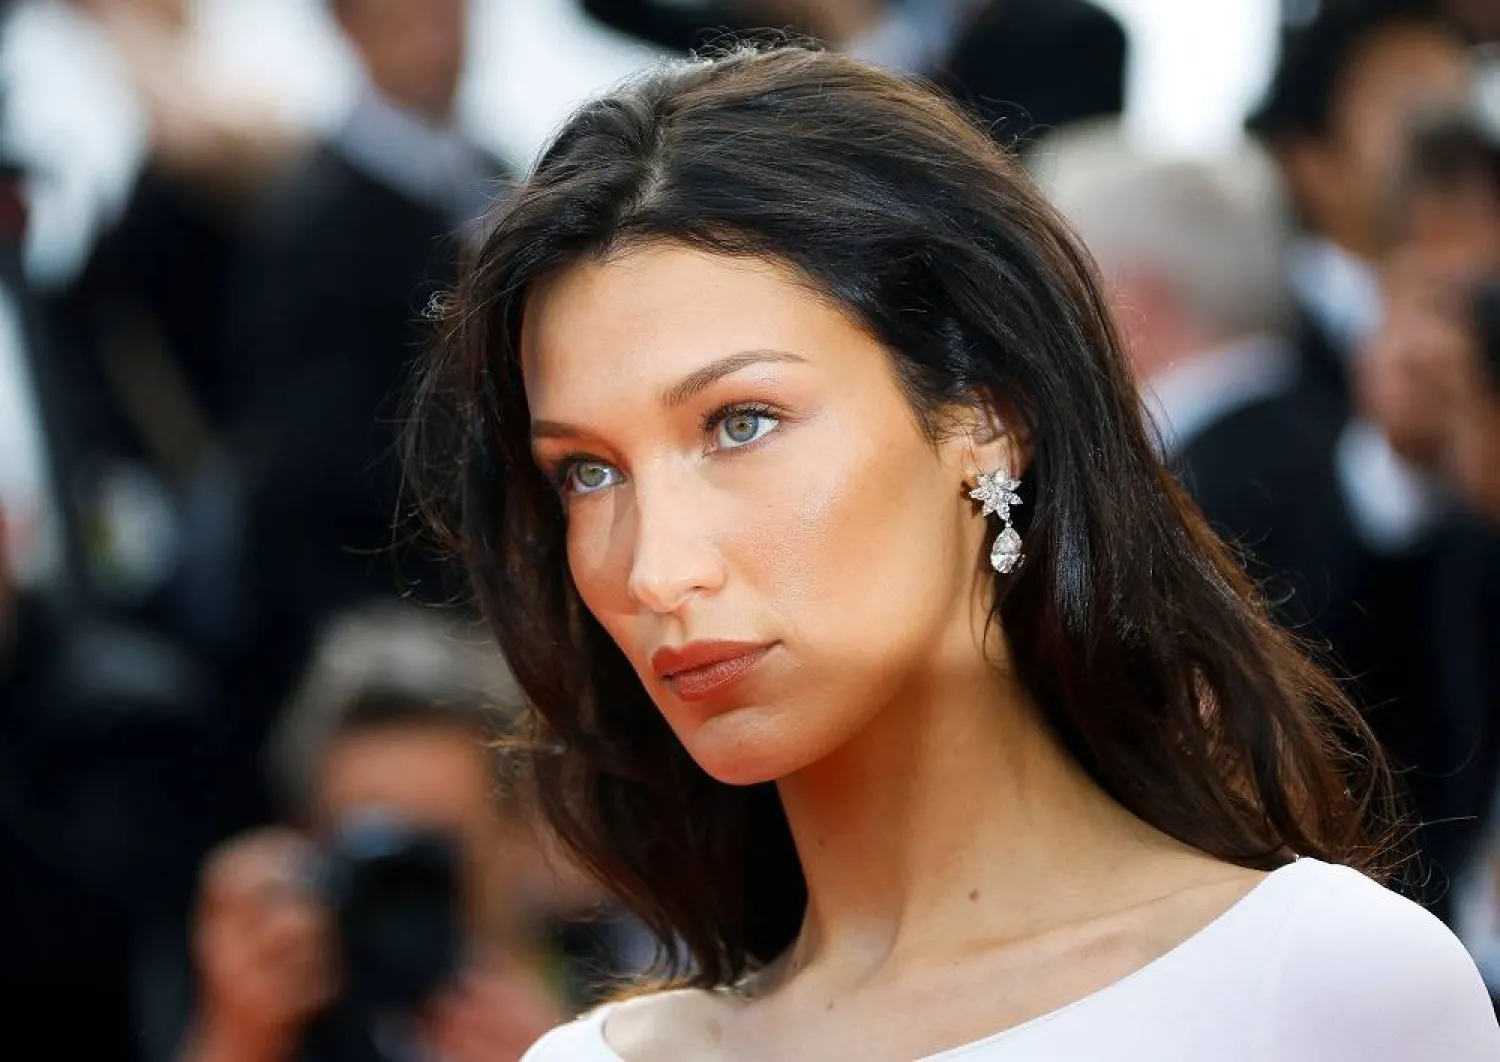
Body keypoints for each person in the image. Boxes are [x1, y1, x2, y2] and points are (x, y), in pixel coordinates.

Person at [405, 45, 1500, 1059]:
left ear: (990, 413)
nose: (654, 570)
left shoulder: (1319, 989)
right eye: (587, 472)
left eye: (740, 423)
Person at [179, 605, 584, 1062]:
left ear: (520, 834)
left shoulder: (616, 1007)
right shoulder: (279, 1025)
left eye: (430, 848)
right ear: (310, 842)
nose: (401, 879)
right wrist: (235, 1039)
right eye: (372, 842)